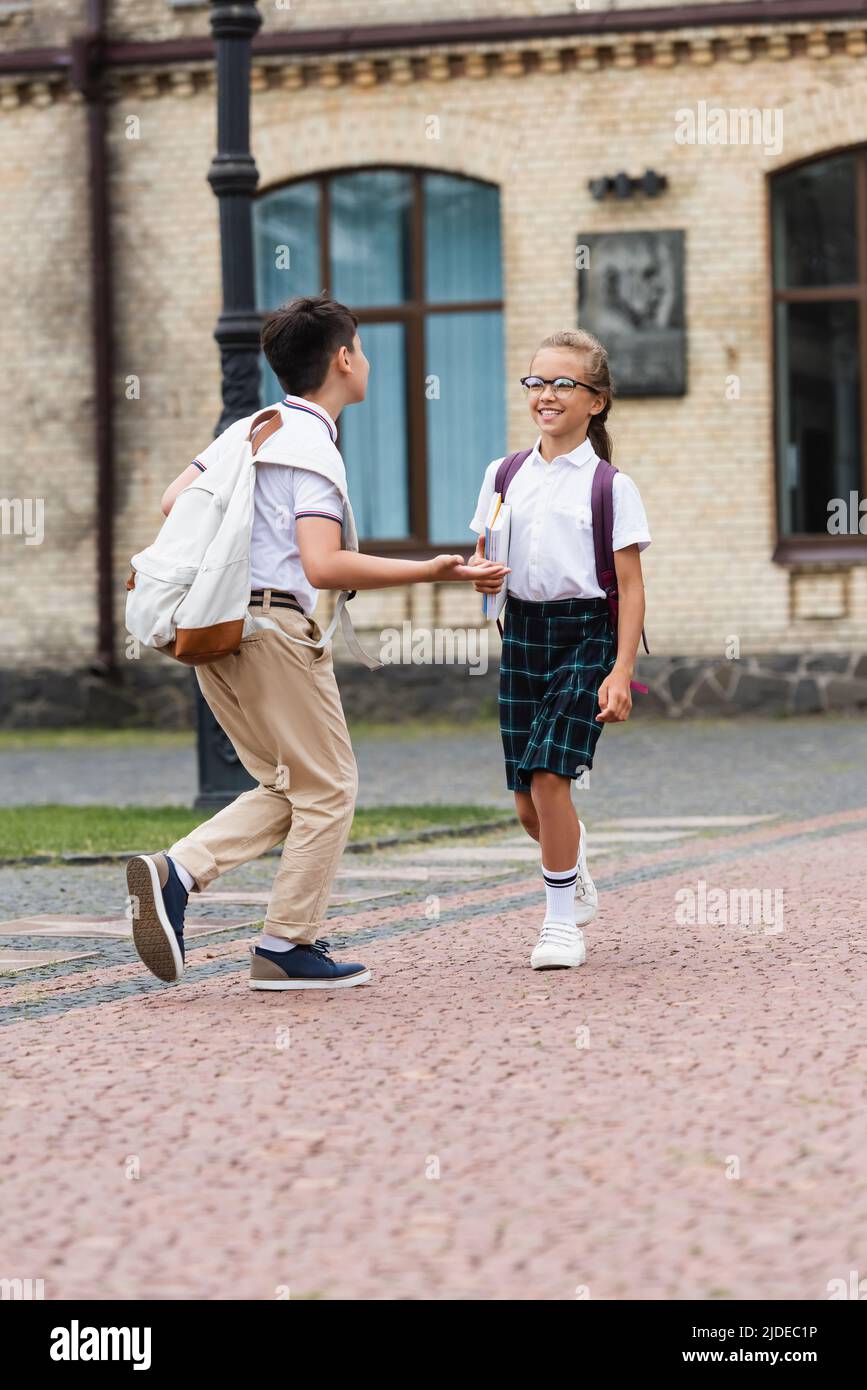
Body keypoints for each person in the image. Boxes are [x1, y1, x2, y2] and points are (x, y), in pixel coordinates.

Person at [126, 293, 507, 991]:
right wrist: (433, 568)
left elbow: (172, 503)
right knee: (329, 788)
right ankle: (285, 945)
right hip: (275, 631)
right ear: (341, 358)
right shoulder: (312, 445)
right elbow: (323, 564)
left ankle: (177, 872)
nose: (364, 360)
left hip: (219, 629)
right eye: (359, 348)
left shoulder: (254, 428)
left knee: (288, 784)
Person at [468, 329, 651, 971]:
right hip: (522, 634)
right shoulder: (503, 473)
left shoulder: (610, 486)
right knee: (527, 801)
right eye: (537, 381)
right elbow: (486, 553)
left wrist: (622, 671)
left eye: (564, 383)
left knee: (551, 776)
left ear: (595, 401)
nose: (547, 394)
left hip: (587, 637)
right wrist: (479, 572)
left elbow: (629, 587)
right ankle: (572, 868)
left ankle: (559, 925)